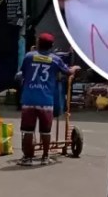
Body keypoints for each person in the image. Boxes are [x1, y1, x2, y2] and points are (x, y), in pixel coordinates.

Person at [18, 33, 80, 166]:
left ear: (38, 44)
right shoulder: (55, 59)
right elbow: (67, 72)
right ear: (51, 46)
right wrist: (74, 68)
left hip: (29, 99)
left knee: (28, 131)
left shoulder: (29, 56)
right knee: (46, 131)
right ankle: (45, 157)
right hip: (46, 100)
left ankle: (27, 158)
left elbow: (23, 73)